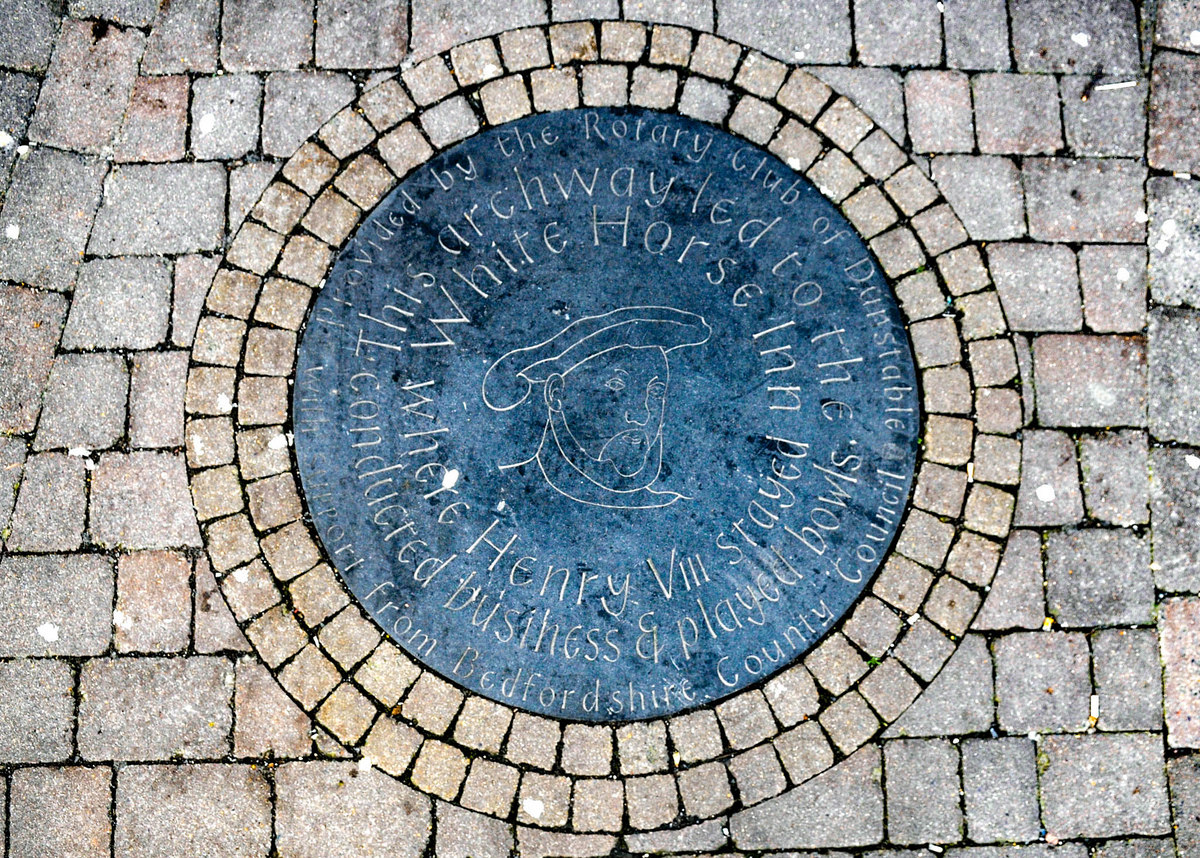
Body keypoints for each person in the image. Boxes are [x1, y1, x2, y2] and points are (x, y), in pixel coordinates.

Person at [482, 306, 711, 509]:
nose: (642, 415)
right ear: (556, 395)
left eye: (656, 393)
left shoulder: (678, 508)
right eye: (616, 386)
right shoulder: (499, 495)